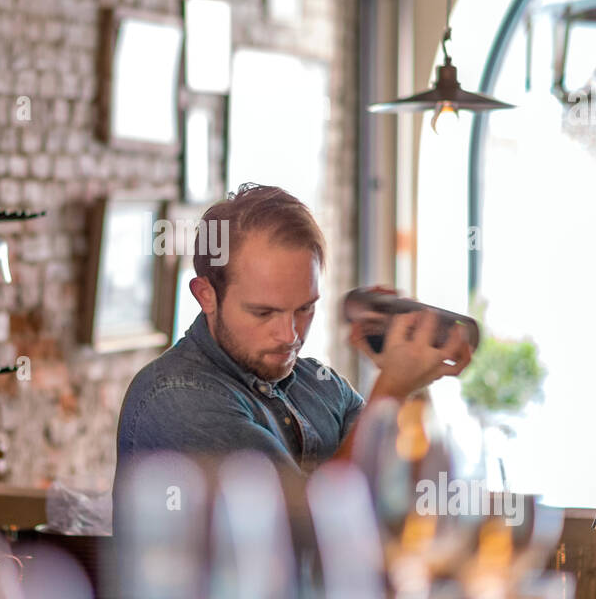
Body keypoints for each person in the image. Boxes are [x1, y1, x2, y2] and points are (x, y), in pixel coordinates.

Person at [114, 183, 474, 488]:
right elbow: (304, 530)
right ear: (206, 295)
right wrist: (391, 388)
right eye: (264, 312)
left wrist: (413, 372)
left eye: (304, 308)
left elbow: (406, 493)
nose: (289, 336)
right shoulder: (177, 399)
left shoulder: (322, 387)